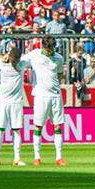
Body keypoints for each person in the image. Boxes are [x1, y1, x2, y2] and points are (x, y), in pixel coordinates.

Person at [24, 37, 68, 166]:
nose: (50, 51)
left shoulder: (58, 58)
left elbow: (59, 74)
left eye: (52, 48)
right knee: (38, 126)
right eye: (48, 48)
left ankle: (59, 157)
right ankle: (37, 157)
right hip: (40, 95)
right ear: (43, 46)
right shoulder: (34, 55)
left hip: (55, 95)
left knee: (58, 126)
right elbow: (20, 62)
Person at [0, 42, 31, 166]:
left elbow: (36, 61)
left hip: (16, 101)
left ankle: (17, 158)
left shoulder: (23, 63)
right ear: (9, 56)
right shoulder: (0, 63)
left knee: (16, 130)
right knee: (0, 129)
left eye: (16, 60)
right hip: (3, 101)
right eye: (13, 60)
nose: (15, 63)